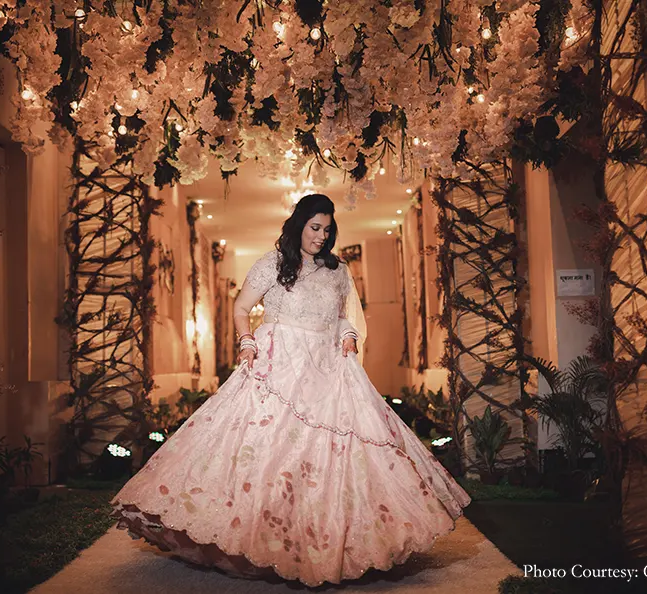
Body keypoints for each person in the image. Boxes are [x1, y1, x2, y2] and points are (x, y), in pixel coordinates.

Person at [110, 193, 471, 587]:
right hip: (278, 362)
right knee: (267, 447)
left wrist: (349, 336)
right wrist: (246, 341)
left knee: (329, 453)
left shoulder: (337, 271)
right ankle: (256, 538)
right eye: (315, 228)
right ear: (298, 224)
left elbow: (341, 318)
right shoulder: (272, 264)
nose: (321, 236)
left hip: (326, 367)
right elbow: (239, 307)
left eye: (327, 230)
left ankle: (319, 540)